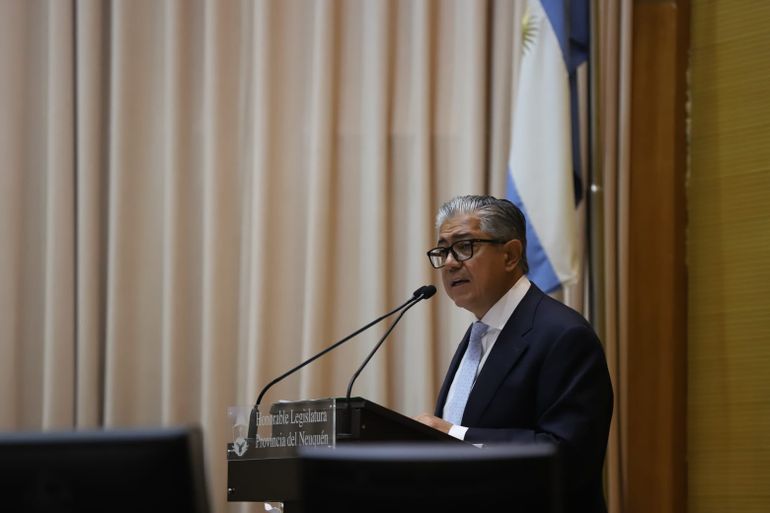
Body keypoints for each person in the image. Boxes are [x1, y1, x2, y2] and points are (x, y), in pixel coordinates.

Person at [415, 195, 613, 513]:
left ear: (510, 255)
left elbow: (568, 457)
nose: (450, 262)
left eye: (464, 246)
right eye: (443, 250)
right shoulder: (480, 333)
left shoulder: (563, 335)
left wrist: (454, 435)